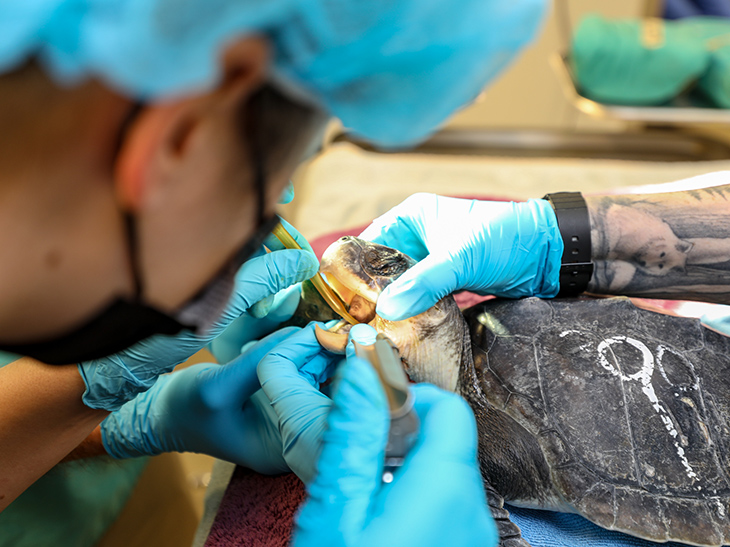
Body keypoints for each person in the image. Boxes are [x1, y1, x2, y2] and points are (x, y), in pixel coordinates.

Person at [0, 0, 550, 545]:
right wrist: (97, 389)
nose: (269, 222)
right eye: (266, 199)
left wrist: (121, 420)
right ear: (180, 142)